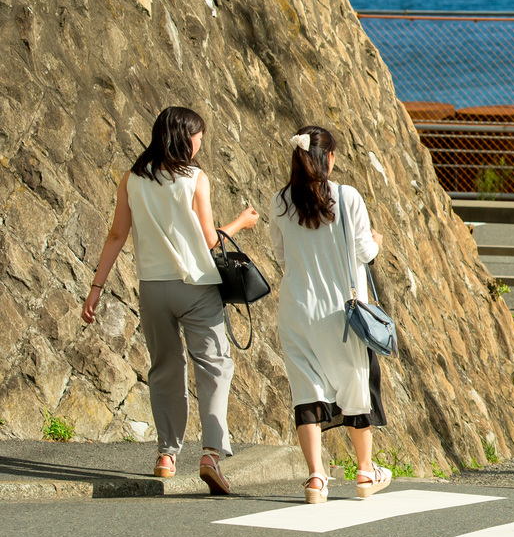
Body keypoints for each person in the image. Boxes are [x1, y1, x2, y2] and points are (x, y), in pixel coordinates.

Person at [81, 107, 259, 493]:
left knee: (164, 367)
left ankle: (166, 454)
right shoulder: (195, 179)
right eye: (199, 137)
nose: (201, 144)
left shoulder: (131, 179)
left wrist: (96, 288)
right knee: (214, 366)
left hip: (153, 289)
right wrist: (241, 223)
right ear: (183, 137)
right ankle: (210, 453)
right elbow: (211, 241)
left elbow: (116, 236)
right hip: (195, 286)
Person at [269, 126, 389, 504]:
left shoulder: (280, 202)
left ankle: (316, 479)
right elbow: (364, 251)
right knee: (355, 383)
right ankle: (366, 471)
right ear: (330, 158)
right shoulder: (347, 196)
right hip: (341, 311)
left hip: (297, 309)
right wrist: (378, 242)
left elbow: (281, 256)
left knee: (305, 390)